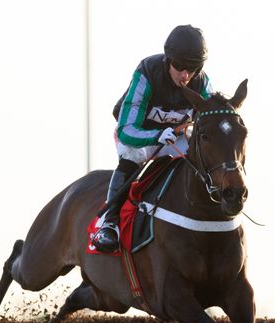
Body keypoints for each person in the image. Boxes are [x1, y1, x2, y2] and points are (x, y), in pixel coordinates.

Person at [92, 24, 214, 253]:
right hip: (138, 133)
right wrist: (157, 135)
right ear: (168, 60)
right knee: (132, 156)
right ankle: (109, 223)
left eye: (192, 68)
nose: (185, 75)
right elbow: (127, 129)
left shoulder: (202, 82)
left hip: (175, 135)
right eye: (179, 66)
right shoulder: (147, 72)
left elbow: (210, 122)